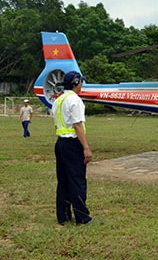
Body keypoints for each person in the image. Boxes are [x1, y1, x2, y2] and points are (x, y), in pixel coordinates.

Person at [51, 71, 99, 225]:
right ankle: (82, 217)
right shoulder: (75, 100)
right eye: (81, 81)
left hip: (60, 143)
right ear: (76, 82)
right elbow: (77, 125)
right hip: (72, 144)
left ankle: (63, 216)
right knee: (77, 180)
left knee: (63, 181)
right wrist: (86, 147)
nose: (82, 84)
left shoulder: (58, 101)